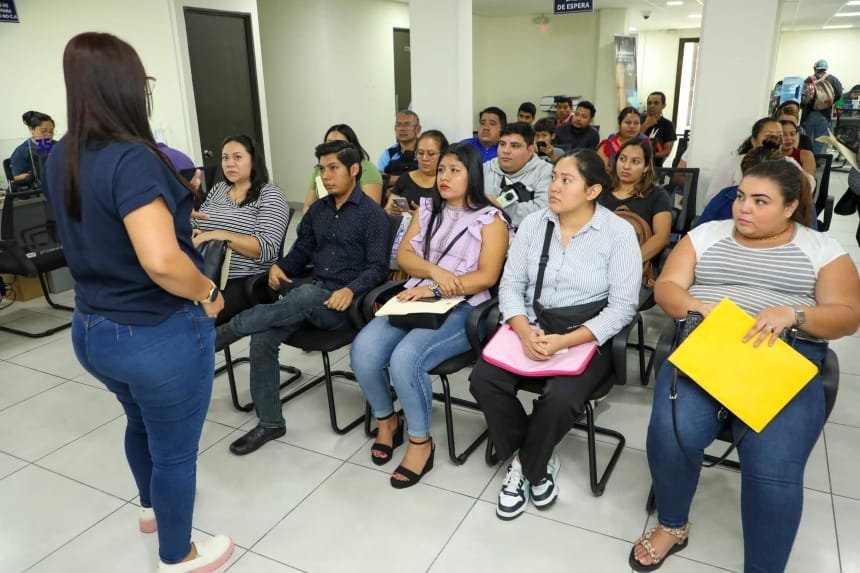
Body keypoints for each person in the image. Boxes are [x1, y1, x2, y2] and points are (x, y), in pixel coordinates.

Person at [42, 32, 233, 572]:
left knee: (139, 422)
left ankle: (151, 509)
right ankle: (179, 555)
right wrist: (209, 291)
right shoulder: (132, 158)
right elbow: (162, 262)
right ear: (124, 87)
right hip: (153, 333)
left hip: (92, 329)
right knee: (175, 452)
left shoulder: (62, 155)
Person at [631, 160, 860, 572]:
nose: (743, 208)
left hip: (782, 358)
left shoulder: (822, 249)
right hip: (710, 349)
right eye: (740, 197)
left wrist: (794, 314)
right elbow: (667, 287)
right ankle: (672, 524)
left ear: (790, 207)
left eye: (760, 201)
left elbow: (847, 315)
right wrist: (697, 306)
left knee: (773, 469)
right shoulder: (706, 235)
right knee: (670, 434)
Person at [470, 149, 641, 521]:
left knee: (561, 397)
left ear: (592, 191)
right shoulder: (534, 224)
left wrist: (565, 341)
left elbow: (622, 307)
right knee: (483, 380)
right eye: (552, 178)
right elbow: (511, 285)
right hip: (532, 325)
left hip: (585, 336)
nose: (554, 187)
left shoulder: (618, 233)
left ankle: (525, 466)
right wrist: (522, 330)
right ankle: (535, 458)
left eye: (566, 180)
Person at [216, 140, 390, 456]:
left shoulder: (373, 215)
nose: (326, 176)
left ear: (354, 169)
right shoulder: (318, 212)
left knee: (304, 293)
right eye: (322, 169)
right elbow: (301, 252)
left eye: (333, 168)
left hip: (343, 306)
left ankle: (231, 329)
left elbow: (378, 268)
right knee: (264, 336)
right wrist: (281, 266)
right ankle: (270, 423)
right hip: (305, 300)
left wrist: (350, 289)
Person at [351, 142, 509, 488]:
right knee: (363, 351)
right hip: (416, 296)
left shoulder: (490, 219)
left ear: (472, 175)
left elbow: (486, 277)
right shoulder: (427, 209)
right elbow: (405, 256)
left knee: (406, 359)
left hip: (464, 307)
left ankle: (421, 442)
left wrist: (436, 290)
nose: (444, 177)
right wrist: (435, 274)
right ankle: (387, 420)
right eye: (441, 170)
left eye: (454, 170)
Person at [193, 135, 291, 322]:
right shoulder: (219, 190)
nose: (229, 163)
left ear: (253, 161)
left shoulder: (270, 194)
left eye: (237, 157)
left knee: (189, 318)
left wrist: (218, 235)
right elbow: (198, 225)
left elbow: (266, 248)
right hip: (203, 273)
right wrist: (193, 230)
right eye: (225, 158)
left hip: (241, 279)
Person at [598, 138, 671, 284]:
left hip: (634, 268)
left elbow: (662, 237)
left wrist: (628, 262)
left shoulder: (657, 195)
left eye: (635, 162)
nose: (626, 166)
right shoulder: (600, 191)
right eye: (622, 159)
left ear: (646, 167)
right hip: (597, 263)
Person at [704, 117, 815, 205]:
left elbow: (808, 186)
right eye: (769, 135)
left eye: (779, 135)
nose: (775, 139)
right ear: (753, 141)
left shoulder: (789, 163)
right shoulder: (734, 163)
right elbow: (711, 199)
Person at [484, 122, 553, 228]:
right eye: (502, 144)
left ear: (530, 150)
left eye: (515, 146)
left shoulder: (545, 172)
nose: (506, 151)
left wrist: (500, 205)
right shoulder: (485, 168)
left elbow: (543, 212)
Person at [695, 145, 783, 227]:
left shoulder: (785, 204)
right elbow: (699, 233)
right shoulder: (726, 197)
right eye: (741, 197)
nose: (745, 208)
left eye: (760, 201)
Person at [302, 124, 383, 213]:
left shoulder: (366, 168)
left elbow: (370, 210)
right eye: (329, 143)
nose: (325, 176)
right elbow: (308, 205)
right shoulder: (318, 169)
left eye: (334, 168)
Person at [385, 130, 448, 215]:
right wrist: (391, 211)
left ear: (443, 155)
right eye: (420, 153)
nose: (425, 158)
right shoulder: (405, 178)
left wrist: (421, 217)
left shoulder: (447, 182)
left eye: (431, 154)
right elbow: (387, 210)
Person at [801, 59, 843, 155]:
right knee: (821, 140)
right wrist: (829, 103)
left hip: (809, 114)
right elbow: (839, 94)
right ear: (826, 68)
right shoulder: (833, 79)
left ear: (815, 68)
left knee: (806, 139)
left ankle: (807, 158)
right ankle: (818, 160)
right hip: (825, 114)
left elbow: (803, 97)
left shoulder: (808, 79)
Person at [377, 110, 421, 190]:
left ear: (418, 129)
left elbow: (426, 177)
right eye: (399, 125)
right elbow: (378, 178)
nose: (402, 129)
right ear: (395, 129)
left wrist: (391, 179)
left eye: (407, 124)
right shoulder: (389, 153)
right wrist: (408, 179)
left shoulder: (425, 151)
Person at [10, 110, 55, 184]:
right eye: (43, 131)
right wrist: (34, 175)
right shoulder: (22, 151)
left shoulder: (57, 146)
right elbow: (16, 177)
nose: (49, 135)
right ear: (32, 129)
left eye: (51, 131)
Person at [640, 91, 677, 167]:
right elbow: (631, 141)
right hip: (635, 164)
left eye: (656, 103)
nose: (652, 106)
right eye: (649, 103)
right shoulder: (638, 120)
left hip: (656, 167)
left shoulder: (667, 125)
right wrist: (645, 125)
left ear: (663, 106)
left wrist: (648, 155)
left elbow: (667, 152)